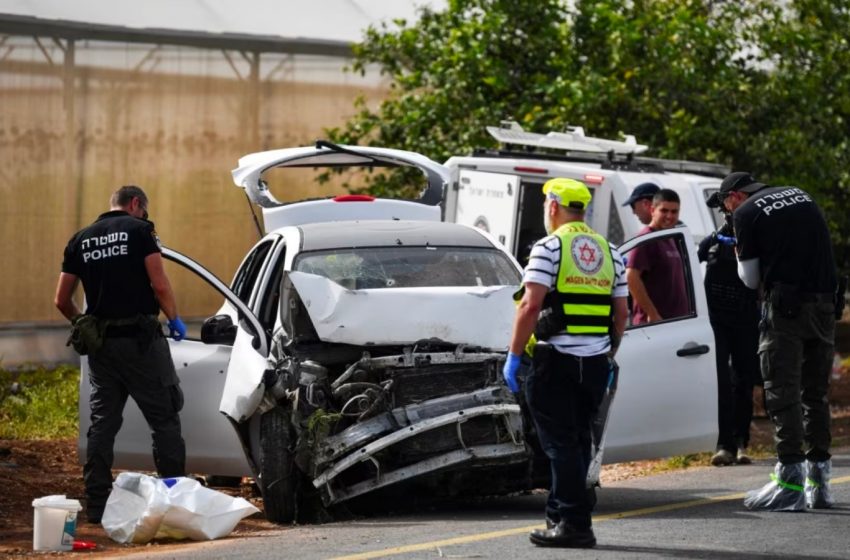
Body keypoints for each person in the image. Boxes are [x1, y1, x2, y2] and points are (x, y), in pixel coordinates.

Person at [503, 178, 628, 548]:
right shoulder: (610, 250)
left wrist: (512, 357)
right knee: (578, 442)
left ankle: (574, 523)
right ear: (582, 210)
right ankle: (560, 515)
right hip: (593, 363)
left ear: (553, 206)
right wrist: (608, 353)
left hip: (554, 360)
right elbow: (622, 313)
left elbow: (530, 305)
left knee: (559, 445)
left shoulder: (550, 247)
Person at [54, 185, 188, 523]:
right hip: (142, 342)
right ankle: (175, 498)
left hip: (102, 348)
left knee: (102, 425)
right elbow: (159, 283)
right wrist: (174, 318)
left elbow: (61, 299)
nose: (144, 216)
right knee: (164, 419)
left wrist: (82, 323)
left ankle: (97, 505)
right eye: (144, 210)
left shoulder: (80, 240)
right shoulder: (140, 231)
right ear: (135, 204)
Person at [719, 171, 838, 511]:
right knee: (814, 395)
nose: (726, 212)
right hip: (826, 306)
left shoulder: (745, 213)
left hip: (786, 312)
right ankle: (820, 484)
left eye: (725, 204)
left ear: (735, 197)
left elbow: (749, 279)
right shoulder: (800, 192)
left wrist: (741, 246)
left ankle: (789, 484)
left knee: (781, 392)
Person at [698, 193, 759, 467]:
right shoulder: (712, 242)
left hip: (746, 320)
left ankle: (742, 441)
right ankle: (725, 445)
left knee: (743, 381)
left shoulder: (754, 241)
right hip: (717, 323)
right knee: (721, 382)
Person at [625, 189, 688, 324]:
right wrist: (652, 314)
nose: (669, 216)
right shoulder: (646, 238)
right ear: (653, 210)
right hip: (653, 326)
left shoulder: (669, 237)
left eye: (674, 211)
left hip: (674, 323)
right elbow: (631, 276)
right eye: (664, 211)